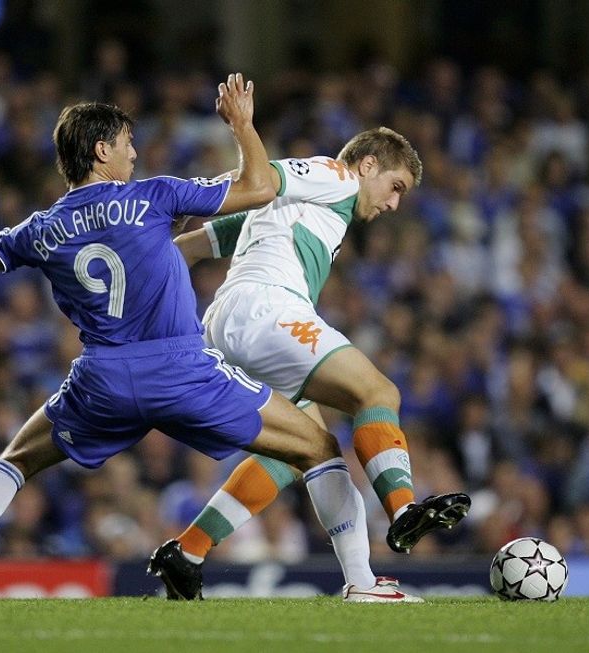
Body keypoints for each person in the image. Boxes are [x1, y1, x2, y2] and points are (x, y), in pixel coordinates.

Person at [0, 74, 377, 602]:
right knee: (318, 446)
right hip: (183, 369)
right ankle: (362, 584)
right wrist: (242, 125)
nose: (134, 153)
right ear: (102, 151)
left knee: (17, 459)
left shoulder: (41, 228)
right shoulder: (153, 194)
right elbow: (260, 188)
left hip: (104, 379)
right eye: (126, 143)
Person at [147, 128, 471, 601]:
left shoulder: (292, 210)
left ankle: (189, 552)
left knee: (309, 449)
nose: (393, 204)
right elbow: (264, 176)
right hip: (267, 310)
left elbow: (189, 247)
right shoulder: (335, 176)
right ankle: (404, 511)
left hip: (226, 323)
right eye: (395, 187)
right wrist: (243, 128)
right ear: (367, 166)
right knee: (378, 393)